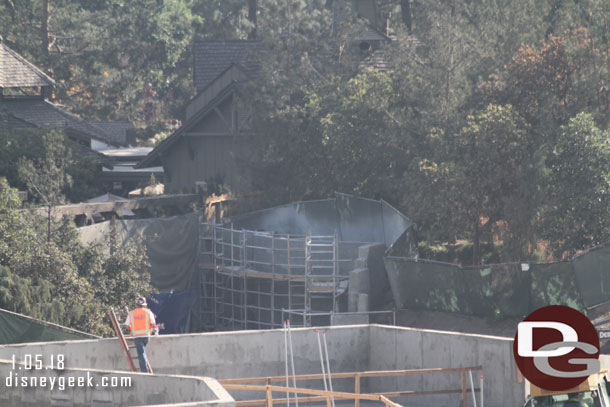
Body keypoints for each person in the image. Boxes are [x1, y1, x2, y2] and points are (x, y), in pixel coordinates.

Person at [123, 297, 157, 373]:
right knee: (142, 353)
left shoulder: (131, 313)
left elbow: (126, 326)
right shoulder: (148, 312)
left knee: (141, 354)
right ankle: (145, 370)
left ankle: (144, 372)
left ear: (136, 305)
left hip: (137, 337)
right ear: (144, 305)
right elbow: (153, 324)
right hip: (146, 336)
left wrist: (131, 328)